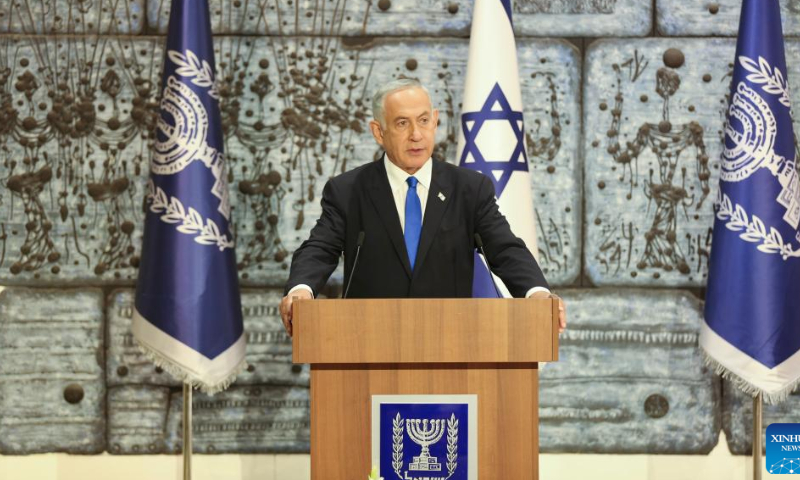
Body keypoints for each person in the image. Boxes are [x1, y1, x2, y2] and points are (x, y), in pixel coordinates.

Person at [279, 78, 566, 335]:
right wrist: (301, 290)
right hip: (370, 341)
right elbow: (319, 248)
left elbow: (504, 248)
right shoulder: (348, 191)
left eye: (424, 120)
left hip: (452, 342)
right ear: (379, 132)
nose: (416, 134)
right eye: (402, 123)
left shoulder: (469, 189)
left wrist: (536, 293)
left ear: (436, 121)